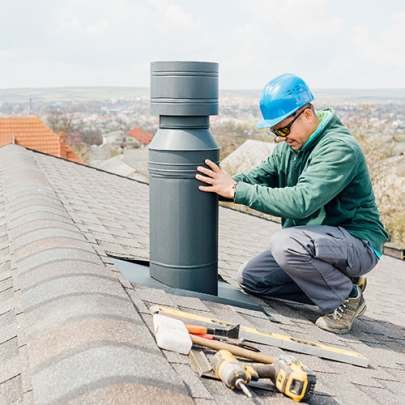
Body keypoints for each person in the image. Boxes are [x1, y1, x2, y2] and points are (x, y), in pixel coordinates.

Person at [195, 73, 388, 334]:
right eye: (276, 131)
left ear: (307, 114)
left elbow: (301, 202)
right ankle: (344, 284)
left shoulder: (339, 149)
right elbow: (257, 177)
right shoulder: (290, 148)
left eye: (284, 128)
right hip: (319, 244)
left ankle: (345, 298)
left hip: (357, 243)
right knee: (251, 279)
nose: (281, 137)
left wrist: (236, 190)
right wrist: (218, 186)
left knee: (285, 244)